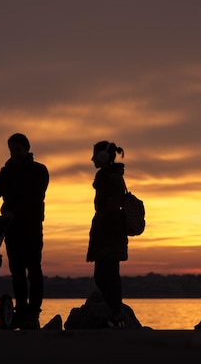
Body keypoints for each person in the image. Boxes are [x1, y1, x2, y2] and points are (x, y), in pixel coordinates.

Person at [0, 133, 49, 329]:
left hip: (32, 227)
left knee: (33, 269)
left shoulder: (39, 171)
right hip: (12, 229)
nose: (14, 154)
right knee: (17, 272)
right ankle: (21, 310)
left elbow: (34, 197)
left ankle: (33, 312)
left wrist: (8, 209)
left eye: (18, 150)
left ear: (26, 149)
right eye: (11, 150)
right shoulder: (6, 172)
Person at [87, 140, 129, 328]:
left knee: (109, 275)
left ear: (103, 156)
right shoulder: (106, 176)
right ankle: (114, 313)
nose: (92, 158)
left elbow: (113, 206)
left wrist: (105, 220)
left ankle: (115, 316)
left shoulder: (112, 178)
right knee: (103, 276)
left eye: (95, 154)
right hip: (105, 232)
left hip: (110, 233)